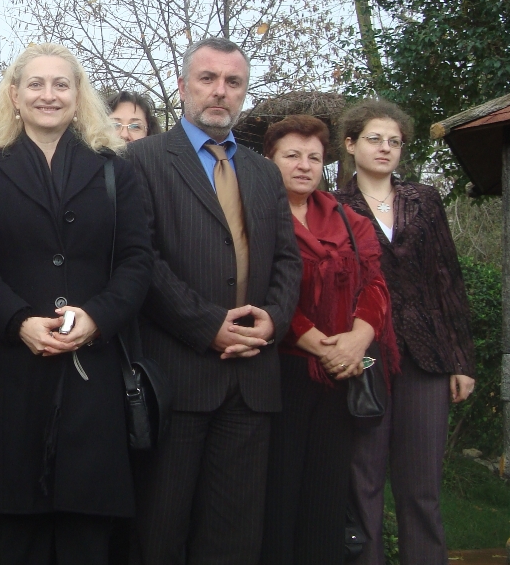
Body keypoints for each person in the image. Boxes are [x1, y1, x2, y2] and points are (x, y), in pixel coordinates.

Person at [0, 43, 153, 565]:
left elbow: (137, 260)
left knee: (88, 531)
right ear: (14, 95)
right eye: (35, 84)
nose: (48, 95)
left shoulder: (114, 168)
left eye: (61, 84)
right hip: (13, 369)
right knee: (23, 533)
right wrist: (18, 321)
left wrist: (97, 317)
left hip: (93, 369)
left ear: (78, 95)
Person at [127, 37, 302, 564]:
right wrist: (208, 325)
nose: (219, 92)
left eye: (233, 82)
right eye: (207, 79)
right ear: (182, 87)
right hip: (177, 375)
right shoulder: (142, 160)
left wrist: (270, 321)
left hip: (252, 380)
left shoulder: (263, 171)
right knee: (160, 529)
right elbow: (142, 260)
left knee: (234, 536)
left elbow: (289, 262)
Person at [334, 99, 476, 565]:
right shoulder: (333, 206)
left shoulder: (425, 200)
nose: (385, 148)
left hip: (427, 358)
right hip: (365, 358)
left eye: (394, 141)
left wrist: (460, 361)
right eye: (374, 138)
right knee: (364, 482)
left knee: (422, 487)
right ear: (351, 144)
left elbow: (447, 281)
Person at [258, 115, 399, 565]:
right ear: (268, 161)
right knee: (279, 493)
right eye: (292, 156)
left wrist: (357, 341)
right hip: (283, 369)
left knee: (326, 492)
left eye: (314, 157)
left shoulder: (349, 220)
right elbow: (262, 288)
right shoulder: (257, 215)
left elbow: (374, 284)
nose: (304, 165)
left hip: (342, 372)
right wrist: (320, 344)